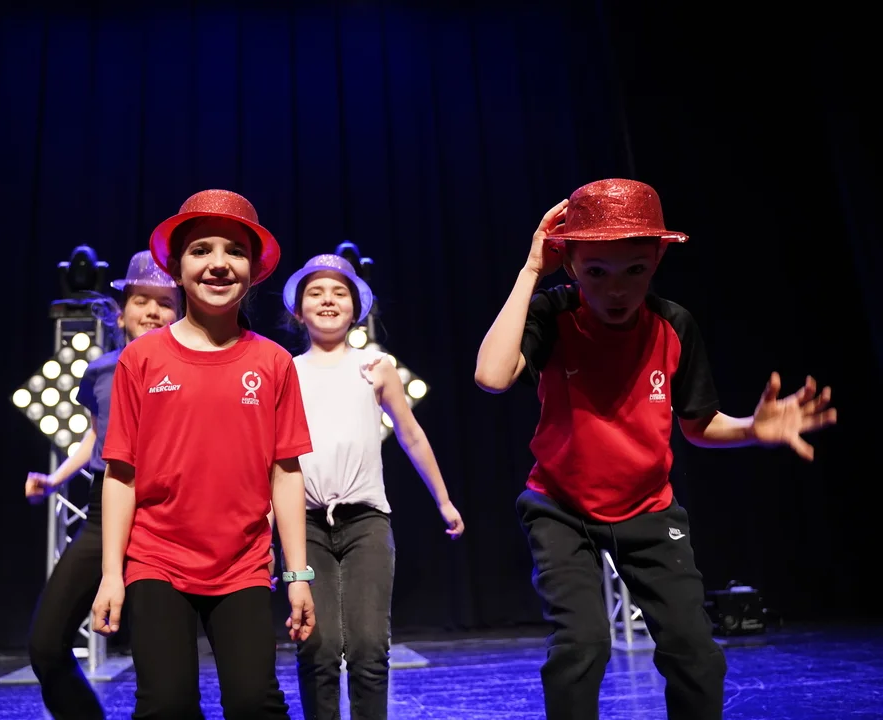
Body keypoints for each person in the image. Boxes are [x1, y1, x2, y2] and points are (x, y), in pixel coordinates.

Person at [474, 178, 838, 720]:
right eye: (597, 272)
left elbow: (698, 424)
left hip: (648, 508)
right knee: (582, 645)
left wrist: (750, 428)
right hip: (561, 508)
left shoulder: (674, 325)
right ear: (570, 264)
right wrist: (532, 270)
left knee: (696, 654)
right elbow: (491, 376)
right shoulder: (554, 314)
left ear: (658, 260)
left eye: (634, 270)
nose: (616, 289)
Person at [91, 189, 317, 719]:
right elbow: (120, 474)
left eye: (235, 251)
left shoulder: (274, 362)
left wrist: (298, 575)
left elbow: (286, 473)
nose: (219, 263)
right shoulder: (140, 360)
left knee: (254, 703)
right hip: (156, 559)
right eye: (201, 250)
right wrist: (111, 573)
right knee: (165, 706)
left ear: (254, 270)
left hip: (242, 564)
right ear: (176, 267)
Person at [281, 253, 465, 720]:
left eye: (339, 292)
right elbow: (272, 457)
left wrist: (443, 499)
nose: (328, 300)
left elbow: (411, 435)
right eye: (316, 293)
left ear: (356, 307)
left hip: (366, 521)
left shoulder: (375, 367)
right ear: (298, 310)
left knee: (368, 647)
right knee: (318, 647)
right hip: (305, 525)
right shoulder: (285, 371)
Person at [24, 250, 182, 720]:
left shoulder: (192, 369)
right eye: (141, 300)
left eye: (165, 302)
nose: (152, 311)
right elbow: (97, 436)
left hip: (165, 515)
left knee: (162, 670)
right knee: (46, 646)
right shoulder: (101, 370)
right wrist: (55, 480)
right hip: (104, 510)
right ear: (120, 313)